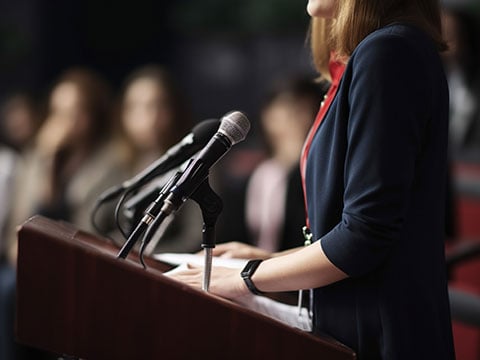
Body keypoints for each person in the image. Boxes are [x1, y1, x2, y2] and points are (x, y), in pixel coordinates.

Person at [170, 0, 455, 359]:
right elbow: (363, 233)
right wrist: (271, 259)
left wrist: (249, 275)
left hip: (382, 337)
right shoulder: (379, 53)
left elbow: (367, 236)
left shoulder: (388, 53)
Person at [119, 65, 204, 253]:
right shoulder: (117, 162)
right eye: (136, 107)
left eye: (158, 106)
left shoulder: (199, 164)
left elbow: (195, 238)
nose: (150, 117)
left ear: (175, 110)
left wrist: (137, 254)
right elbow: (95, 222)